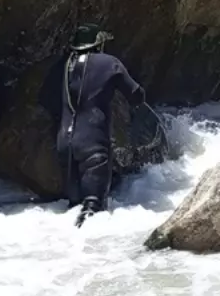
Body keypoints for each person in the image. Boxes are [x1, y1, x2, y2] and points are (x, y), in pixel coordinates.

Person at [40, 24, 146, 226]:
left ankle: (63, 249)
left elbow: (45, 98)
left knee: (73, 207)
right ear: (98, 44)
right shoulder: (109, 63)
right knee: (92, 209)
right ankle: (91, 251)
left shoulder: (60, 66)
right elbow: (136, 95)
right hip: (93, 144)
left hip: (64, 144)